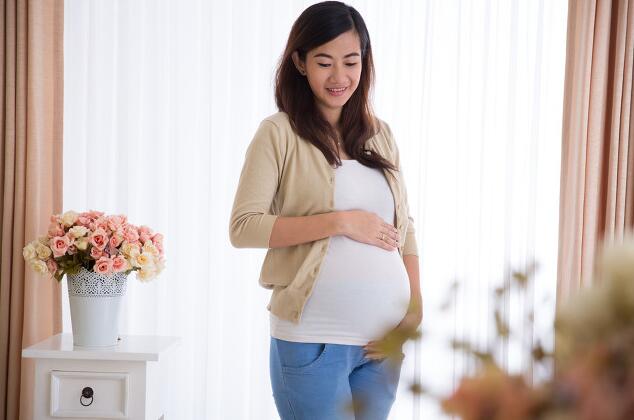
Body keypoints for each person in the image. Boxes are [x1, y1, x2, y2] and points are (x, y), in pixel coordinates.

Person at [229, 2, 422, 419]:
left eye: (351, 61)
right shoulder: (278, 133)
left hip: (382, 345)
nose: (339, 77)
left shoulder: (380, 134)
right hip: (313, 340)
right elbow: (244, 227)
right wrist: (340, 222)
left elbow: (404, 228)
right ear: (299, 62)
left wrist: (414, 310)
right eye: (324, 62)